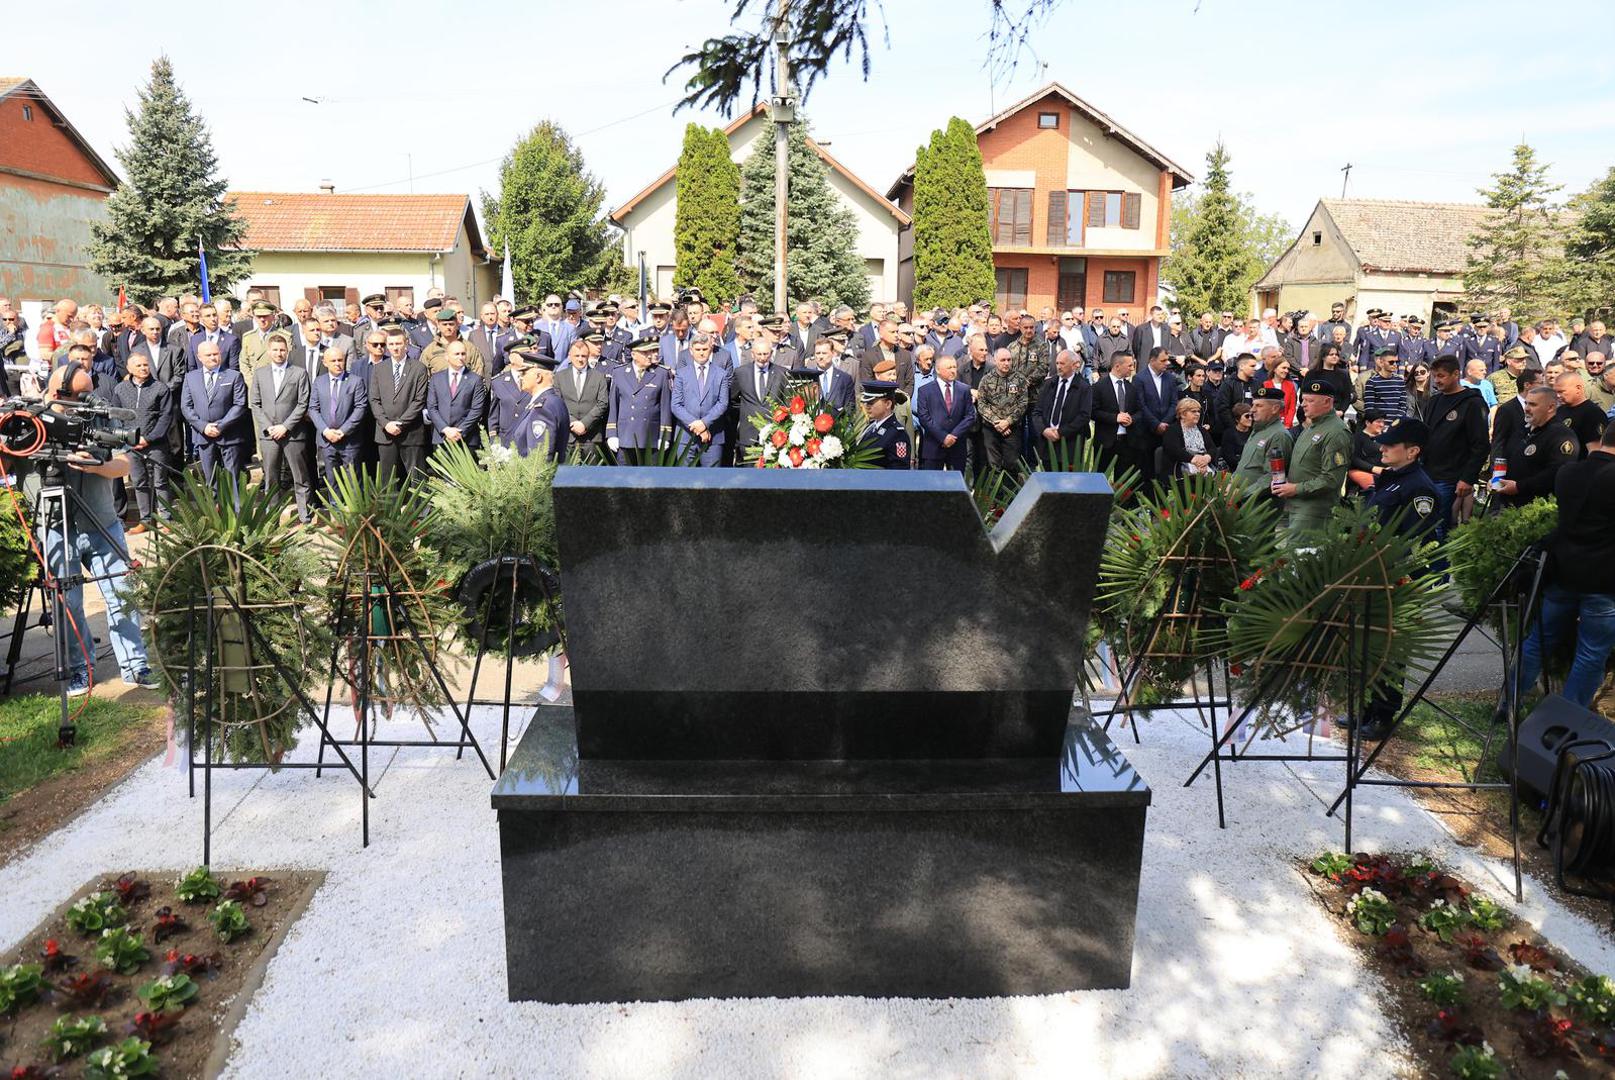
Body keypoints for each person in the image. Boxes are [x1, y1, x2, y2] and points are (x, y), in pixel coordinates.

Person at [23, 365, 156, 694]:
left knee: (121, 594)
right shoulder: (30, 418)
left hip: (101, 519)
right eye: (80, 396)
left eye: (89, 392)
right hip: (55, 525)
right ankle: (80, 668)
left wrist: (98, 465)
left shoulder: (98, 412)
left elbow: (125, 462)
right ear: (57, 394)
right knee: (67, 602)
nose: (88, 400)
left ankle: (135, 665)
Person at [1511, 420, 1615, 709]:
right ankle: (1566, 718)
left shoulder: (1569, 472)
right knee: (1592, 653)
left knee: (1538, 641)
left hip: (1563, 570)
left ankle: (1508, 703)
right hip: (1604, 580)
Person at [1355, 418, 1442, 740]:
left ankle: (1382, 713)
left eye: (1391, 445)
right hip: (1371, 573)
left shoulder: (1419, 488)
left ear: (1413, 451)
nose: (1383, 447)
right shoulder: (1392, 479)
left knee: (1390, 651)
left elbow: (1413, 540)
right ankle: (1365, 706)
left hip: (1395, 578)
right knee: (1368, 645)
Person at [1272, 378, 1351, 542]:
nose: (1303, 405)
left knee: (1301, 558)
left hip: (1314, 510)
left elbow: (1331, 479)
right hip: (1299, 506)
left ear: (1327, 402)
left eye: (1310, 400)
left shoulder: (1336, 432)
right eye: (1303, 400)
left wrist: (1295, 488)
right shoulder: (1312, 427)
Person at [1420, 354, 1490, 538]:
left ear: (1456, 374)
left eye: (1441, 376)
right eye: (1434, 376)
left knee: (1438, 525)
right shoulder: (1434, 401)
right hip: (1427, 472)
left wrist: (1468, 478)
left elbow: (1481, 445)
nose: (1437, 380)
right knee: (1423, 521)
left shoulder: (1472, 403)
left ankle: (1439, 565)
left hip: (1451, 476)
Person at [249, 333, 315, 523]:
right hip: (269, 435)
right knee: (271, 477)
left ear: (288, 351)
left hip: (293, 433)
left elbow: (303, 403)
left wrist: (285, 426)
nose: (279, 353)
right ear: (269, 352)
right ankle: (272, 515)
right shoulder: (260, 374)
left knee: (300, 476)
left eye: (282, 350)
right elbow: (255, 403)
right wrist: (269, 427)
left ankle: (305, 515)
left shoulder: (299, 373)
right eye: (275, 350)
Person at [111, 351, 174, 532]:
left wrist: (149, 438)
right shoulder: (120, 389)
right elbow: (116, 416)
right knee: (139, 482)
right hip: (131, 445)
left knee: (160, 482)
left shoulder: (160, 388)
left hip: (156, 444)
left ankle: (166, 520)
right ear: (129, 369)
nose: (143, 368)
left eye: (145, 365)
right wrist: (127, 437)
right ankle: (146, 520)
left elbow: (166, 417)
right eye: (138, 365)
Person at [179, 339, 249, 489]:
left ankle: (235, 512)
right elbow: (186, 407)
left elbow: (240, 404)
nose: (212, 357)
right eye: (208, 355)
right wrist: (203, 427)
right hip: (204, 436)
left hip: (229, 435)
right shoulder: (190, 378)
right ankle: (214, 511)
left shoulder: (234, 376)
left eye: (215, 354)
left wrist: (220, 426)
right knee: (211, 481)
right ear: (199, 357)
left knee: (233, 481)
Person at [1495, 385, 1578, 510]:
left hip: (1538, 508)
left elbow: (1556, 472)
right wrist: (1498, 479)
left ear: (1550, 407)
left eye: (1533, 405)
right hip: (1510, 505)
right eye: (1526, 403)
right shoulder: (1523, 430)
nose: (1527, 409)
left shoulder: (1561, 435)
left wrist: (1519, 487)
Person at [369, 327, 431, 485]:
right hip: (385, 432)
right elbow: (374, 400)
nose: (395, 347)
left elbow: (419, 400)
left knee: (417, 477)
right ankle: (390, 510)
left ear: (406, 344)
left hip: (411, 432)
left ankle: (422, 510)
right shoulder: (379, 369)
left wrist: (401, 423)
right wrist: (386, 423)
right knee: (387, 479)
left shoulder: (418, 368)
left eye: (398, 343)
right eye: (391, 344)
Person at [607, 338, 674, 464]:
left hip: (650, 437)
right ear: (633, 355)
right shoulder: (619, 373)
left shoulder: (661, 373)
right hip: (626, 436)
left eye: (650, 352)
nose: (649, 356)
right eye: (645, 353)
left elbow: (665, 408)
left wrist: (664, 436)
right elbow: (614, 406)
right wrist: (611, 433)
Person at [670, 332, 732, 466]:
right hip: (685, 436)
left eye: (705, 349)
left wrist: (704, 423)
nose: (701, 353)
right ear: (691, 351)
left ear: (711, 349)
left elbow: (723, 403)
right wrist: (698, 426)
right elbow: (676, 405)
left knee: (711, 480)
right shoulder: (681, 374)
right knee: (685, 480)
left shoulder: (721, 374)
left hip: (713, 436)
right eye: (698, 350)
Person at [310, 346, 368, 485]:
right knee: (332, 478)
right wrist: (325, 431)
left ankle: (355, 506)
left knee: (353, 478)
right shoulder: (319, 382)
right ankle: (335, 506)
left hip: (349, 439)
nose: (337, 363)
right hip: (327, 439)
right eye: (333, 360)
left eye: (340, 360)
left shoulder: (355, 381)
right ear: (325, 363)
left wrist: (343, 431)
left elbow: (361, 408)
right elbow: (313, 408)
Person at [425, 339, 489, 454]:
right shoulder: (436, 378)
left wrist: (460, 430)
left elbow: (477, 409)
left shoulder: (475, 379)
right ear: (447, 356)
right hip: (442, 438)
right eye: (456, 354)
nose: (460, 357)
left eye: (463, 354)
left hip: (467, 439)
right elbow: (432, 407)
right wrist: (446, 429)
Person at [913, 353, 974, 471]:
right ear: (938, 370)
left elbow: (970, 416)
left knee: (956, 486)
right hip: (933, 447)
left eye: (954, 367)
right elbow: (924, 417)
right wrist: (943, 437)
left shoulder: (964, 389)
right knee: (932, 485)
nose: (953, 371)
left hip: (957, 446)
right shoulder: (925, 391)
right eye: (949, 368)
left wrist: (954, 435)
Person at [1031, 348, 1090, 468]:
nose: (1058, 367)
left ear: (1074, 365)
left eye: (1062, 363)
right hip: (1048, 442)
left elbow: (1084, 416)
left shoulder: (1083, 387)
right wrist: (1044, 430)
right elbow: (1037, 412)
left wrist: (1060, 432)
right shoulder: (1049, 384)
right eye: (1057, 363)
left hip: (1070, 444)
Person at [975, 347, 1031, 472]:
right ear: (995, 361)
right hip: (991, 429)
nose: (1006, 363)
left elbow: (1023, 403)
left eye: (1009, 360)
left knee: (1012, 463)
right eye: (1002, 360)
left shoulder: (1019, 379)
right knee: (993, 464)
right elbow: (982, 404)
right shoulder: (986, 379)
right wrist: (997, 422)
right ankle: (995, 491)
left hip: (1012, 429)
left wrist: (1007, 422)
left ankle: (1010, 491)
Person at [511, 350, 569, 461]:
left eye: (524, 373)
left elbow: (539, 457)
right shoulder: (553, 401)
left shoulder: (543, 407)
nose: (520, 377)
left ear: (538, 377)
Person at [557, 337, 610, 455]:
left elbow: (602, 403)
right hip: (567, 436)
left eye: (583, 356)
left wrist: (584, 424)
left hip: (592, 437)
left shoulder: (599, 377)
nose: (580, 359)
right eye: (577, 356)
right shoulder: (559, 377)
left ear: (588, 356)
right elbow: (558, 403)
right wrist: (573, 423)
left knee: (591, 473)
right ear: (570, 356)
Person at [856, 381, 911, 468]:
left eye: (871, 402)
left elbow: (899, 470)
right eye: (866, 402)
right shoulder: (870, 427)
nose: (867, 406)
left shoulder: (897, 434)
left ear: (888, 404)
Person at [1554, 371, 1607, 455]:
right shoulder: (1559, 410)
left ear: (1578, 388)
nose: (1557, 395)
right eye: (1556, 392)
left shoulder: (1593, 413)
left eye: (1561, 391)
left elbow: (1595, 451)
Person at [1161, 397, 1214, 477]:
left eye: (1198, 411)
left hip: (1204, 466)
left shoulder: (1202, 430)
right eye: (1193, 411)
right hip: (1181, 470)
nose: (1197, 414)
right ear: (1182, 414)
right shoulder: (1172, 430)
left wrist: (1207, 458)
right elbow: (1174, 451)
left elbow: (1212, 448)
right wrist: (1194, 460)